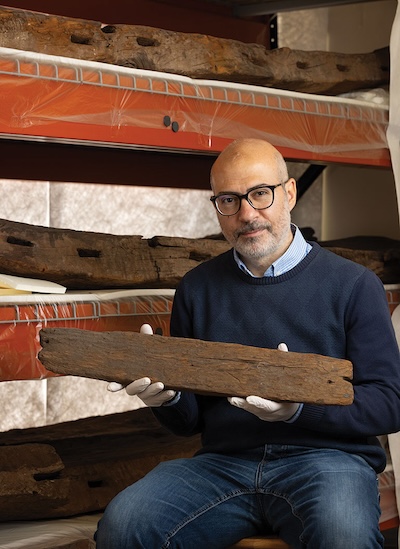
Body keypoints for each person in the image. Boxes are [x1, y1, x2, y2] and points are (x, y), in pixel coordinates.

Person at [95, 138, 400, 548]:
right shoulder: (198, 288)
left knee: (342, 535)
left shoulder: (355, 285)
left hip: (328, 463)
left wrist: (298, 411)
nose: (247, 214)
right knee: (125, 523)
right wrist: (165, 397)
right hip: (223, 465)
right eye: (229, 200)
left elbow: (389, 403)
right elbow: (191, 420)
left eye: (260, 194)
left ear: (289, 193)